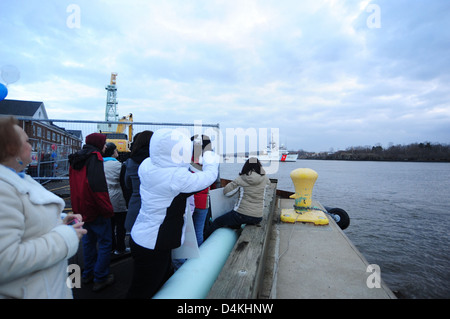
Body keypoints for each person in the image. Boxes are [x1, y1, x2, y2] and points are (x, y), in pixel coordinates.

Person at [126, 129, 219, 298]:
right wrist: (209, 156)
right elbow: (209, 176)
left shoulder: (147, 165)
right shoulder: (176, 179)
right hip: (154, 244)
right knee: (142, 291)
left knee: (146, 284)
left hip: (141, 236)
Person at [0, 116, 86, 298]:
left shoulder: (19, 178)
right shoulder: (3, 190)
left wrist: (59, 221)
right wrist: (66, 237)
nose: (32, 147)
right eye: (27, 141)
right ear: (11, 149)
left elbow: (27, 224)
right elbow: (5, 260)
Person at [69, 133, 114, 292]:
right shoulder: (95, 157)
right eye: (104, 143)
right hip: (96, 208)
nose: (106, 146)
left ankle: (88, 273)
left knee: (88, 242)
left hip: (81, 208)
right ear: (97, 144)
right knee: (105, 243)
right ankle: (100, 277)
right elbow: (98, 188)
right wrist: (107, 209)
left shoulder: (76, 159)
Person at [206, 158, 271, 236]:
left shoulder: (241, 179)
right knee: (234, 222)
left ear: (246, 167)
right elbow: (268, 186)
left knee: (217, 222)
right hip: (257, 216)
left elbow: (226, 192)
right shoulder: (265, 179)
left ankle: (205, 238)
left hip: (241, 215)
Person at [123, 130, 153, 232]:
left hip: (136, 203)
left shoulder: (131, 162)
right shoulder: (156, 161)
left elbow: (127, 184)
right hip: (154, 205)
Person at [103, 142, 128, 254]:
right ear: (113, 152)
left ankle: (111, 246)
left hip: (105, 196)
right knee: (121, 225)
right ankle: (120, 247)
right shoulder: (119, 165)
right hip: (118, 196)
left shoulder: (100, 164)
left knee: (110, 225)